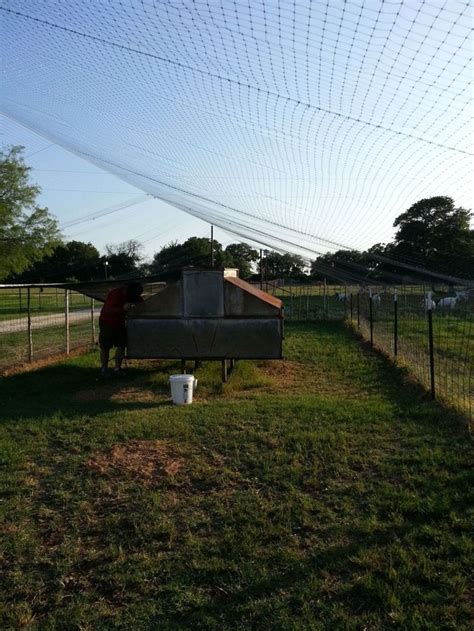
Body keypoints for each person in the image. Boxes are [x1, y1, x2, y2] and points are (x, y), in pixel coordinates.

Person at [99, 281, 143, 376]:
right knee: (105, 346)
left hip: (120, 323)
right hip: (107, 322)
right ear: (126, 289)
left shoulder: (132, 294)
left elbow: (140, 301)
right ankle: (104, 369)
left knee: (121, 345)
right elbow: (108, 310)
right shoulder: (115, 294)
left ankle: (117, 368)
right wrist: (122, 309)